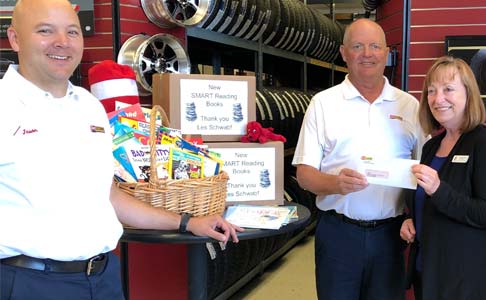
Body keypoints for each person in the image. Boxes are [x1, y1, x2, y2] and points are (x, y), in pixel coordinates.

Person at [0, 0, 242, 299]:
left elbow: (109, 195)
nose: (62, 43)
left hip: (103, 279)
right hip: (30, 284)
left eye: (73, 32)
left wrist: (187, 221)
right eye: (45, 30)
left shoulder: (89, 107)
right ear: (15, 38)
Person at [292, 18, 425, 300]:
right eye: (358, 46)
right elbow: (304, 174)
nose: (367, 53)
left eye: (375, 46)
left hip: (391, 236)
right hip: (338, 234)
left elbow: (425, 173)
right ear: (343, 53)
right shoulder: (323, 104)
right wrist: (334, 183)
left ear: (387, 53)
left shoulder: (409, 106)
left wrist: (416, 219)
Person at [399, 56, 486, 300]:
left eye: (448, 89)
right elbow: (425, 203)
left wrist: (439, 189)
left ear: (469, 94)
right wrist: (412, 221)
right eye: (431, 91)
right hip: (431, 275)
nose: (437, 98)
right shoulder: (432, 146)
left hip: (469, 282)